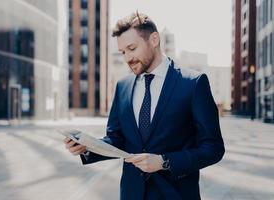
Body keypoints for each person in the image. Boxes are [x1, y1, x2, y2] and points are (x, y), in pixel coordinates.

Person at [64, 11, 225, 200]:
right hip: (132, 194)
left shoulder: (193, 83)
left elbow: (213, 148)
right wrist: (88, 147)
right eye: (123, 52)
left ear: (154, 39)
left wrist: (164, 162)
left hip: (176, 194)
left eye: (132, 48)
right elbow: (117, 139)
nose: (127, 58)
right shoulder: (123, 86)